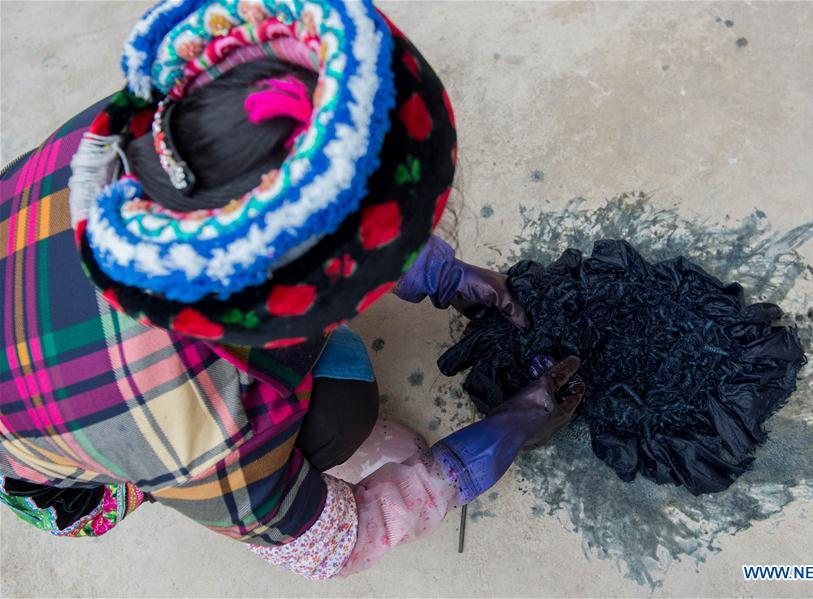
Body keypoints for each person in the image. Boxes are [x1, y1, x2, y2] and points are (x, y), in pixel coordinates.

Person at [0, 0, 584, 579]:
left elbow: (317, 193)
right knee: (341, 403)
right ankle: (319, 446)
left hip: (40, 306)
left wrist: (440, 272)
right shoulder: (205, 430)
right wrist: (469, 459)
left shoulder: (163, 117)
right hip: (50, 438)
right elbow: (336, 546)